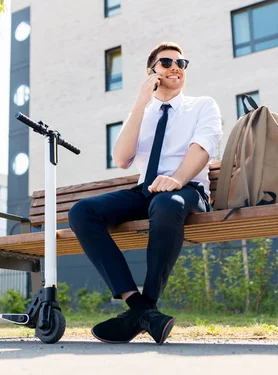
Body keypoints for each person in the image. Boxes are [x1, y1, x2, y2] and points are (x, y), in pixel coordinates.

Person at [68, 42, 223, 345]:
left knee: (166, 203)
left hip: (187, 191)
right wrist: (140, 102)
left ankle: (144, 306)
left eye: (182, 63)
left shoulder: (203, 105)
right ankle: (141, 309)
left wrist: (177, 179)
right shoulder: (143, 113)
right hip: (146, 190)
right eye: (166, 62)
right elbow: (122, 158)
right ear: (151, 71)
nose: (176, 67)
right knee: (82, 212)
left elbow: (203, 147)